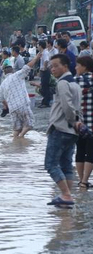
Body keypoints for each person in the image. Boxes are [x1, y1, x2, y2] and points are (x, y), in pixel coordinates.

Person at [45, 53, 83, 207]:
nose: (52, 69)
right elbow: (77, 107)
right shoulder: (75, 83)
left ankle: (66, 195)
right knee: (66, 164)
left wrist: (73, 121)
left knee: (51, 164)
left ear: (65, 66)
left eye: (56, 66)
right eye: (51, 67)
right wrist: (77, 123)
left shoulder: (62, 83)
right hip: (72, 132)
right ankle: (67, 196)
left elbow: (67, 106)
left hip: (61, 128)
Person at [0, 53, 41, 138]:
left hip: (12, 108)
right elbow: (27, 67)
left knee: (17, 128)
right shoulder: (17, 75)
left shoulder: (2, 84)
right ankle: (21, 137)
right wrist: (36, 58)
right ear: (12, 71)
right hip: (22, 104)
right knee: (30, 124)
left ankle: (15, 143)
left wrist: (8, 106)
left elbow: (1, 99)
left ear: (4, 73)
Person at [75, 56, 93, 189]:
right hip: (92, 123)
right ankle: (85, 181)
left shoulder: (76, 81)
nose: (76, 68)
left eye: (78, 65)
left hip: (79, 124)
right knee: (90, 152)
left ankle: (81, 180)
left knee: (80, 151)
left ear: (84, 66)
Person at [38, 40, 53, 108]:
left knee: (45, 87)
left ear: (40, 46)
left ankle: (46, 102)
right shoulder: (42, 52)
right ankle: (45, 101)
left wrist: (44, 68)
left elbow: (46, 60)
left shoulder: (45, 53)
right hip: (43, 71)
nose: (37, 47)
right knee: (43, 86)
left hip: (45, 71)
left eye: (38, 45)